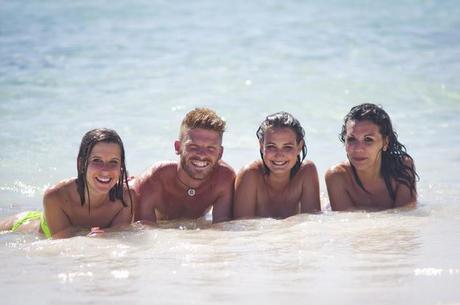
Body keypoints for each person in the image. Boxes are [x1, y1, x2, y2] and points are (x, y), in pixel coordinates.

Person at [0, 128, 134, 238]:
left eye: (113, 162)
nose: (105, 170)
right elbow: (62, 246)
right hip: (25, 224)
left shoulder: (126, 199)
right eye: (97, 160)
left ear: (121, 166)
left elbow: (118, 237)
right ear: (81, 163)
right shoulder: (56, 197)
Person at [134, 108, 235, 224]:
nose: (202, 155)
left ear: (220, 153)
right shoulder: (154, 180)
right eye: (193, 147)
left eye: (210, 148)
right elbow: (142, 231)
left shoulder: (224, 179)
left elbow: (221, 229)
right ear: (178, 147)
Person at [325, 103, 419, 211]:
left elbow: (406, 218)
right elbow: (348, 225)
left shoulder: (401, 168)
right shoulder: (338, 177)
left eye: (368, 139)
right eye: (351, 139)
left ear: (385, 142)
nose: (358, 149)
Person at [233, 111, 320, 219]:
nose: (279, 155)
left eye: (287, 147)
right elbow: (242, 226)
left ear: (299, 147)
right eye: (271, 146)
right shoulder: (250, 175)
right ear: (261, 145)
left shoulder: (306, 172)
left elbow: (312, 223)